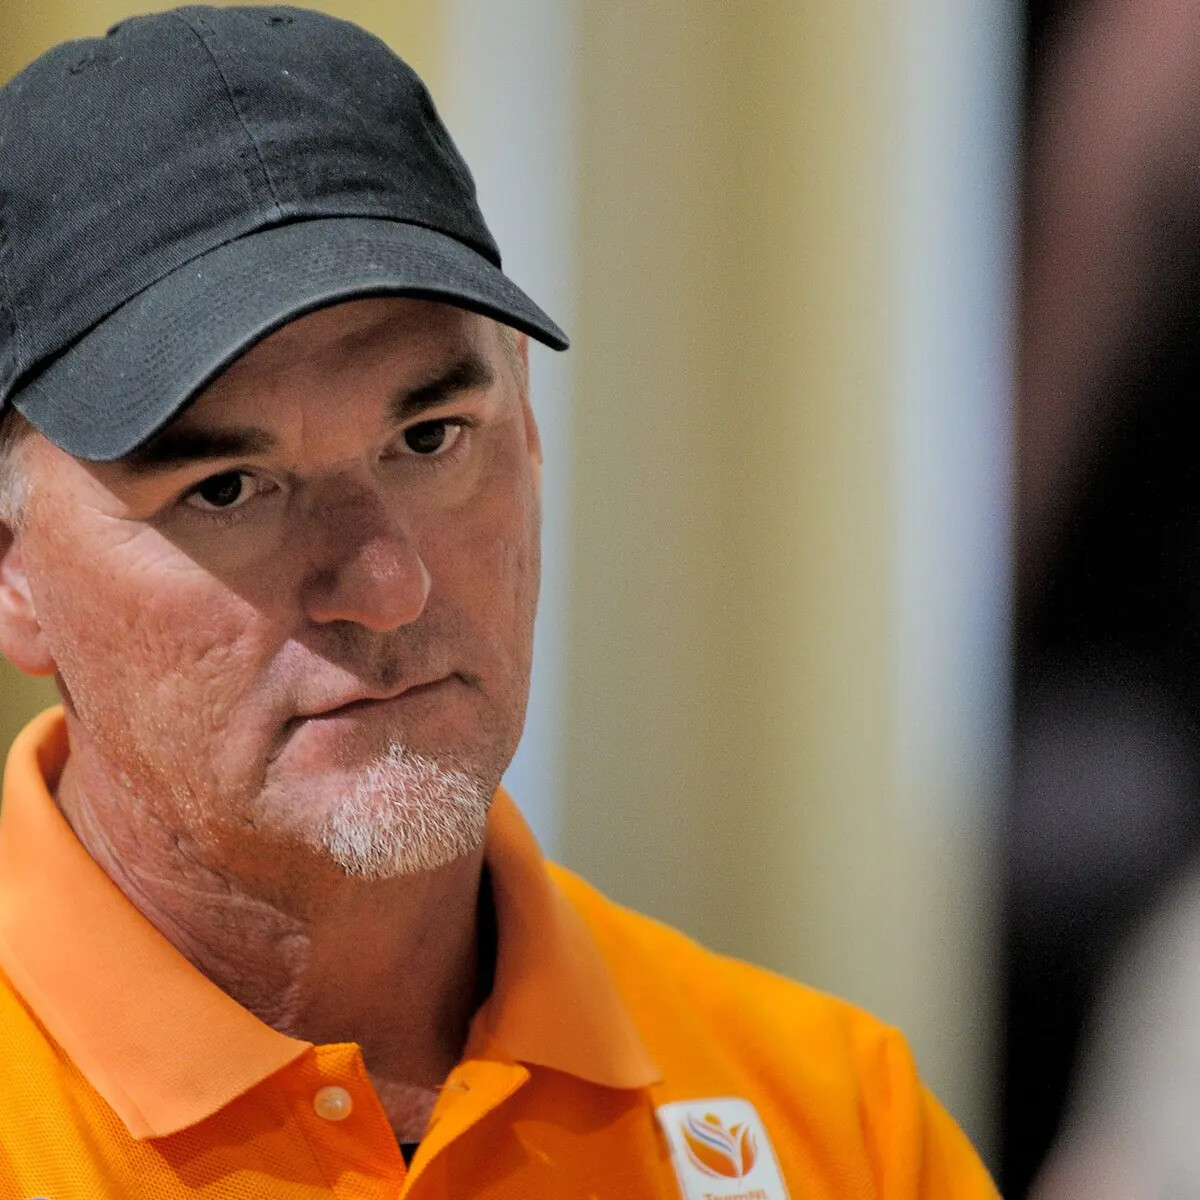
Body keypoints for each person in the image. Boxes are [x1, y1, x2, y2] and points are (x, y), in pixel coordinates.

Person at [0, 7, 998, 1197]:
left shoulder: (837, 1126)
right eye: (226, 489)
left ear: (525, 428)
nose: (385, 586)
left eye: (430, 437)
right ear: (13, 568)